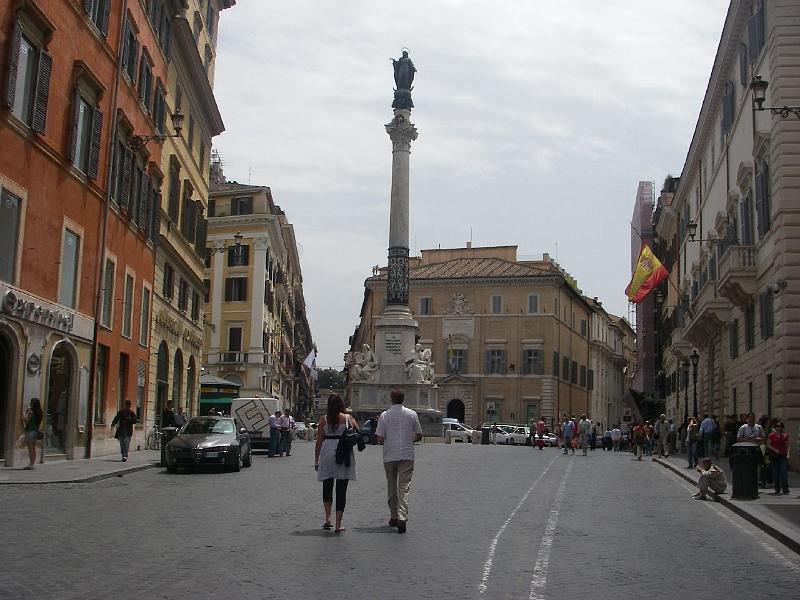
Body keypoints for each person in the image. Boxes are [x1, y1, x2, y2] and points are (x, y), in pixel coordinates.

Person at [376, 388, 423, 534]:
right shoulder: (412, 414)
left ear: (391, 399)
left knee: (392, 487)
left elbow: (380, 439)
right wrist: (410, 439)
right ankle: (402, 517)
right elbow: (419, 434)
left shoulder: (384, 416)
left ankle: (394, 516)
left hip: (390, 455)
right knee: (404, 488)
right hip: (407, 455)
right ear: (404, 399)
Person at [314, 394, 357, 533]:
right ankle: (338, 524)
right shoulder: (347, 418)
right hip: (343, 452)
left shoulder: (323, 420)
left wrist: (316, 459)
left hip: (327, 451)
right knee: (341, 489)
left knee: (327, 485)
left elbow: (319, 441)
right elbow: (356, 431)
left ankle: (328, 518)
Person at [766, 421, 790, 495]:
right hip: (775, 456)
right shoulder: (771, 435)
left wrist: (788, 454)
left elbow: (787, 445)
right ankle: (777, 488)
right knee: (776, 473)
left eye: (780, 426)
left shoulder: (785, 435)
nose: (778, 428)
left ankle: (785, 489)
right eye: (777, 426)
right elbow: (768, 445)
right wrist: (774, 449)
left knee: (784, 472)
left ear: (782, 427)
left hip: (783, 455)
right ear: (775, 427)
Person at [22, 398, 43, 469]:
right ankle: (32, 464)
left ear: (33, 404)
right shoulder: (39, 412)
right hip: (35, 431)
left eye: (31, 403)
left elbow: (26, 422)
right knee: (33, 448)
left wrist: (24, 415)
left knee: (30, 449)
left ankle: (31, 464)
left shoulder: (31, 412)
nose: (30, 404)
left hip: (30, 431)